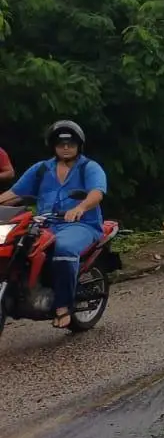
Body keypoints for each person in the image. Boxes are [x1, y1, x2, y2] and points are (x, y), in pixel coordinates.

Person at [0, 121, 108, 329]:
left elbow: (97, 192)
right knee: (17, 247)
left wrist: (80, 208)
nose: (65, 147)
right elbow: (15, 193)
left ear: (79, 145)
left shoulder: (89, 167)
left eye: (70, 143)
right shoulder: (41, 169)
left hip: (81, 225)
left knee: (63, 249)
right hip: (44, 224)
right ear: (53, 146)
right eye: (60, 143)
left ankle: (63, 307)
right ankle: (26, 290)